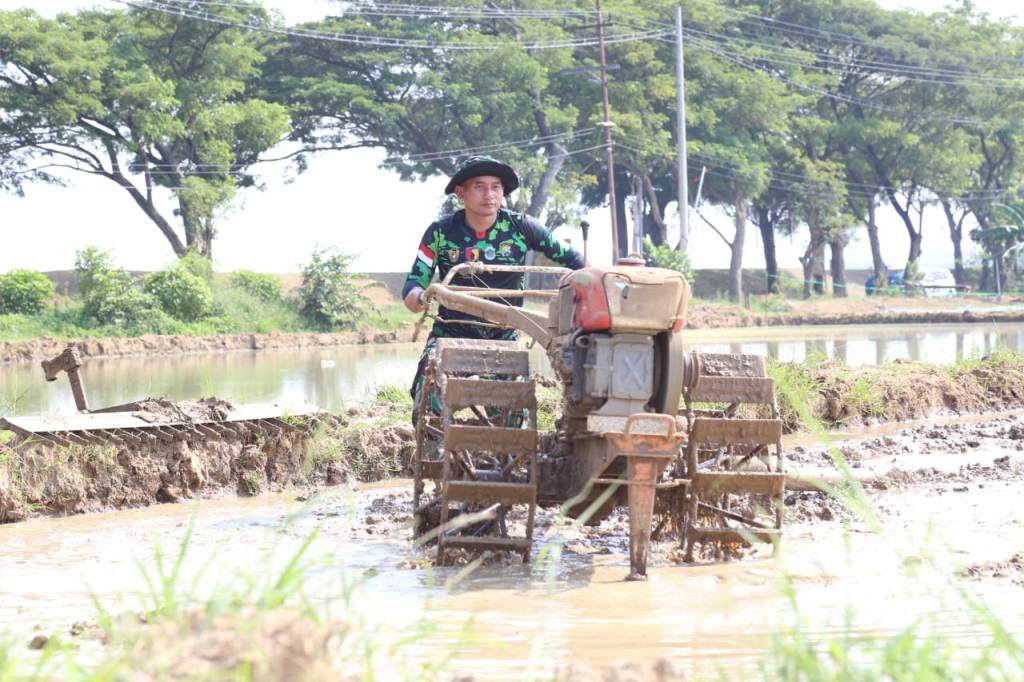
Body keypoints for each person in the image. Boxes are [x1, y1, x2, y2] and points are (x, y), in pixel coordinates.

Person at [402, 156, 584, 417]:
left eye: (496, 186)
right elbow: (414, 282)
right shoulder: (440, 232)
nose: (489, 194)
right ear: (461, 192)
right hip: (451, 334)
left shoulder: (522, 227)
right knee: (428, 393)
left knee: (513, 410)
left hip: (504, 336)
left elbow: (574, 260)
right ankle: (435, 453)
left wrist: (590, 280)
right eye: (480, 186)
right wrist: (417, 296)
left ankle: (507, 455)